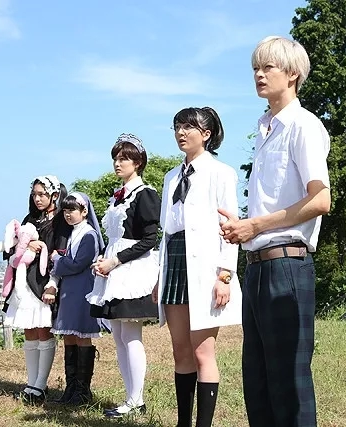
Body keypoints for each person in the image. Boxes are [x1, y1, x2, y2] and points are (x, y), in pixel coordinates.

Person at [220, 36, 331, 427]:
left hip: (288, 265)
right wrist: (243, 227)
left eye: (268, 67)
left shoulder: (303, 125)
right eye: (256, 67)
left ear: (293, 74)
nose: (259, 74)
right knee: (258, 381)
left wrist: (255, 224)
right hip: (256, 265)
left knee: (289, 385)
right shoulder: (265, 128)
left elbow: (321, 199)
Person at [152, 106, 242, 427]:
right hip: (175, 261)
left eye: (188, 127)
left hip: (206, 267)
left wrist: (225, 275)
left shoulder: (221, 172)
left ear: (206, 134)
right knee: (180, 350)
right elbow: (166, 231)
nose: (181, 132)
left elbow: (231, 227)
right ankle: (183, 423)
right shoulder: (171, 177)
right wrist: (160, 276)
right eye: (177, 126)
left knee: (203, 351)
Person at [85, 134, 160, 418]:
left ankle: (137, 400)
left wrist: (114, 261)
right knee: (117, 335)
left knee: (130, 335)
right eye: (115, 158)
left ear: (138, 163)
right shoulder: (119, 196)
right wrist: (104, 260)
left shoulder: (145, 194)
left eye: (124, 158)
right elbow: (115, 238)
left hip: (132, 271)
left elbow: (149, 240)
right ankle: (130, 398)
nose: (118, 163)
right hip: (113, 269)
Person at [3, 175, 70, 404]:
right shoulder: (30, 218)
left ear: (54, 194)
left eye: (42, 194)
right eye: (34, 194)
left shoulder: (60, 220)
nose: (37, 198)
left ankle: (40, 385)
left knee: (44, 332)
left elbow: (61, 252)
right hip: (25, 283)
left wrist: (53, 283)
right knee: (29, 332)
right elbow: (12, 245)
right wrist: (26, 244)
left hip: (45, 283)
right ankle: (31, 383)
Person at [49, 192, 105, 405]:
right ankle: (71, 389)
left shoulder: (89, 234)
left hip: (82, 290)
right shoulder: (75, 232)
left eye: (72, 210)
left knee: (81, 336)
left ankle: (82, 391)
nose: (68, 214)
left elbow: (78, 264)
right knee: (69, 336)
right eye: (65, 210)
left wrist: (57, 259)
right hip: (70, 291)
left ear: (84, 211)